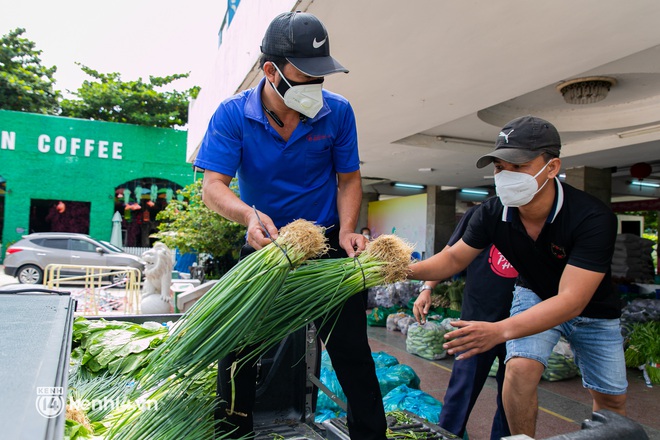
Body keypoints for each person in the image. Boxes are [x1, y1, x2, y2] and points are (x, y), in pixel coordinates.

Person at [193, 11, 386, 440]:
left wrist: (349, 228)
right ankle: (234, 433)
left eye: (321, 76)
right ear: (270, 70)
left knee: (352, 352)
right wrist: (248, 215)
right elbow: (213, 187)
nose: (315, 86)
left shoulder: (338, 112)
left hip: (327, 246)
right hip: (265, 245)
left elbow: (349, 178)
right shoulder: (232, 115)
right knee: (238, 348)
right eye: (305, 75)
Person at [410, 115, 627, 438]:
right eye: (499, 168)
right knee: (519, 370)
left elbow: (571, 300)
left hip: (592, 310)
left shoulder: (592, 217)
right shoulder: (492, 212)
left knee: (610, 398)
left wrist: (499, 331)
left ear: (551, 167)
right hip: (534, 292)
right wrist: (394, 268)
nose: (505, 176)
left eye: (518, 166)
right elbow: (453, 258)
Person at [418, 203, 517, 440]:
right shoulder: (484, 213)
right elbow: (450, 255)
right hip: (475, 320)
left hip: (519, 324)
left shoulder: (538, 218)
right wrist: (427, 287)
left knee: (512, 396)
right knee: (461, 392)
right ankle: (447, 436)